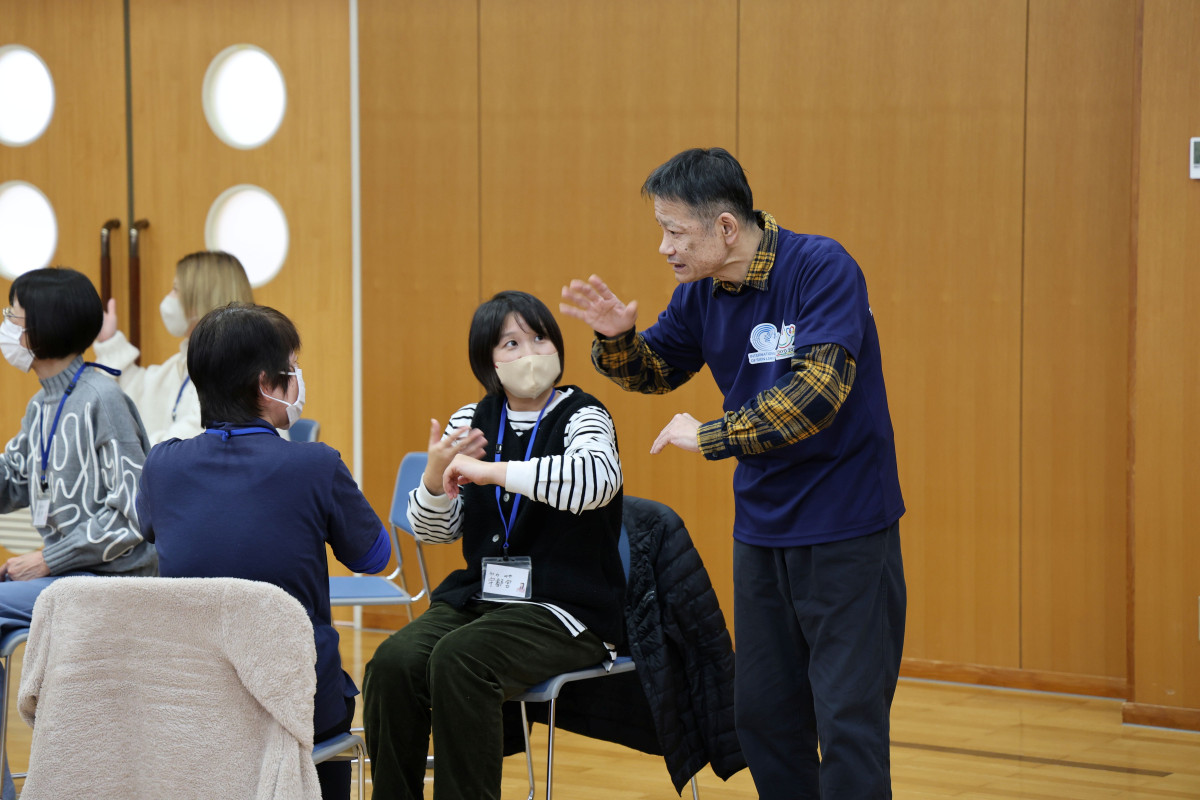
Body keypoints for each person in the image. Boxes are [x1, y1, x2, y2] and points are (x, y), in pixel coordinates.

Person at [560, 147, 906, 800]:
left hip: (846, 527)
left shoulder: (821, 268)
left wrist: (711, 435)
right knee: (766, 718)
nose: (664, 247)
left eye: (674, 231)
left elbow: (818, 394)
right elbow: (656, 370)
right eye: (661, 230)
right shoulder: (701, 292)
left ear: (724, 226)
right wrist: (617, 339)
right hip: (763, 530)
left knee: (848, 721)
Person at [361, 291, 625, 800]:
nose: (530, 352)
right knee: (393, 663)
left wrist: (492, 472)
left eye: (539, 337)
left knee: (461, 658)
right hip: (483, 600)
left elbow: (595, 481)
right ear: (488, 360)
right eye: (511, 343)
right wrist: (434, 480)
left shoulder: (584, 413)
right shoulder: (471, 418)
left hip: (565, 609)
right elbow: (435, 531)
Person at [134, 303, 390, 800]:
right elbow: (374, 558)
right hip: (299, 700)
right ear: (265, 385)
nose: (298, 380)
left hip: (194, 702)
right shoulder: (316, 465)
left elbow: (149, 530)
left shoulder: (161, 467)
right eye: (291, 369)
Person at [0, 267, 157, 800]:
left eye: (13, 316)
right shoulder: (41, 404)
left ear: (40, 329)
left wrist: (48, 559)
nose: (7, 326)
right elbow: (12, 482)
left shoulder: (102, 399)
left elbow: (134, 515)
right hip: (67, 577)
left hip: (109, 580)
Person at [93, 250, 254, 444]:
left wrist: (134, 450)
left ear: (201, 300)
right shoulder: (187, 361)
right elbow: (141, 393)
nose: (169, 298)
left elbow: (194, 438)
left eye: (176, 290)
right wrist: (109, 342)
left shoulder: (233, 370)